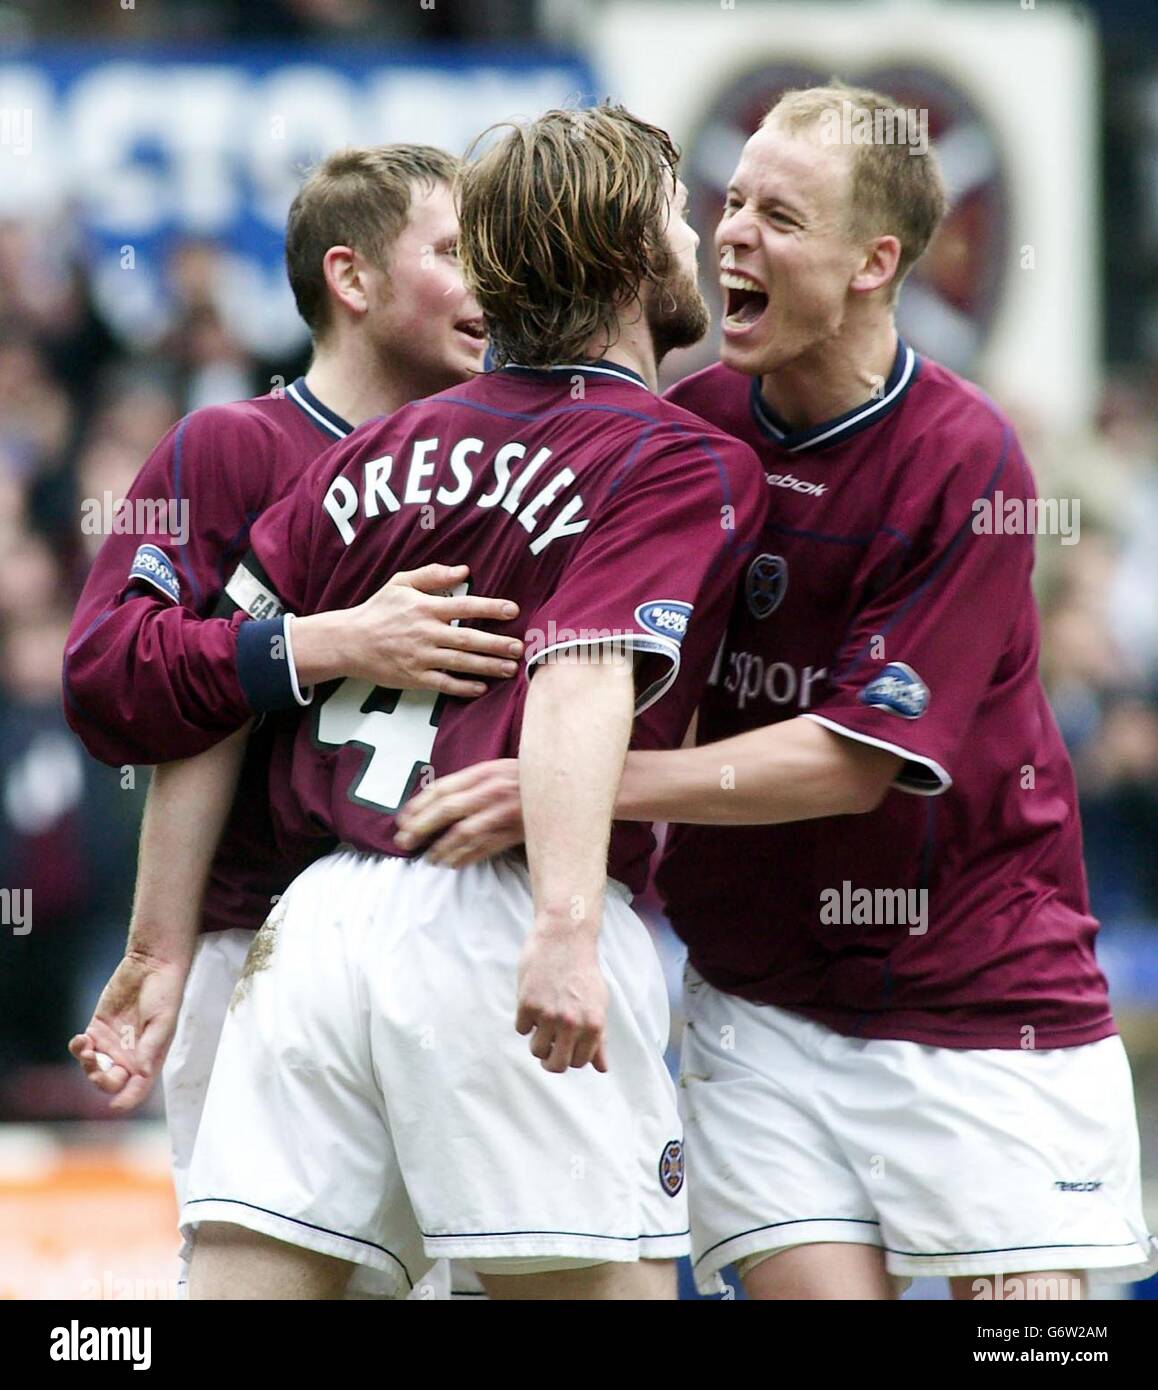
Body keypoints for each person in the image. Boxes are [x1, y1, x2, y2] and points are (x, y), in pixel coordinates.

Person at [395, 84, 1157, 1302]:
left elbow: (852, 759)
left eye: (781, 217)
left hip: (979, 996)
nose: (734, 232)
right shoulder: (684, 427)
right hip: (758, 1003)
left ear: (875, 262)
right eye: (732, 201)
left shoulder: (967, 457)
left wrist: (566, 790)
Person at [176, 103, 767, 1301]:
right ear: (624, 256)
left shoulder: (368, 447)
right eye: (677, 211)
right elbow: (583, 670)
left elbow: (218, 670)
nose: (699, 232)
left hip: (316, 929)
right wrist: (564, 928)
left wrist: (153, 944)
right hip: (500, 918)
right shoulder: (676, 454)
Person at [64, 145, 519, 1298]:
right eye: (456, 253)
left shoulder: (508, 470)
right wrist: (326, 641)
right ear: (351, 279)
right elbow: (111, 676)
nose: (490, 283)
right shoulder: (232, 446)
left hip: (453, 954)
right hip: (254, 951)